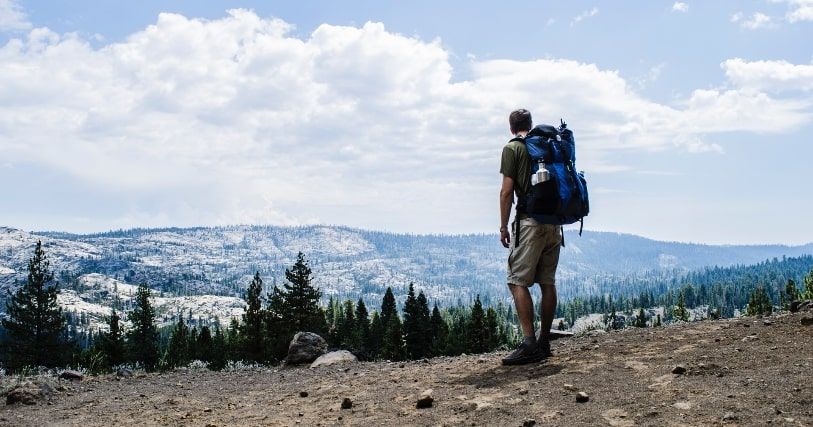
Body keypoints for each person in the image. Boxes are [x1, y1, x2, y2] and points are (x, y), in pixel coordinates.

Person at [499, 108, 562, 365]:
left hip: (529, 222)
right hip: (554, 223)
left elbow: (506, 192)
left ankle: (529, 344)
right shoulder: (547, 147)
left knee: (516, 281)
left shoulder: (513, 148)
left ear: (511, 127)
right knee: (547, 282)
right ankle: (544, 341)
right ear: (531, 124)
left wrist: (503, 226)